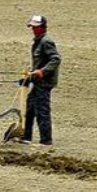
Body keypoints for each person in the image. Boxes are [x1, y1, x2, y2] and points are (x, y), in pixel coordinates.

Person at [22, 15, 61, 147]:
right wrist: (30, 76)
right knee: (30, 108)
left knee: (42, 111)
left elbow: (55, 59)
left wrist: (42, 71)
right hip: (38, 81)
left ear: (43, 27)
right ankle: (26, 137)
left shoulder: (46, 42)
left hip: (44, 82)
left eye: (36, 27)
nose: (33, 29)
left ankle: (46, 140)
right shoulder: (38, 41)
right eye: (32, 27)